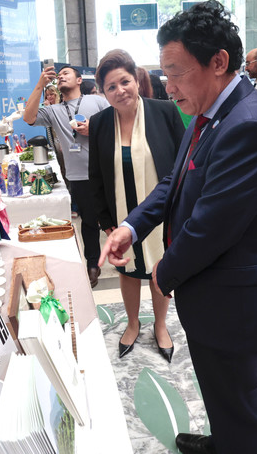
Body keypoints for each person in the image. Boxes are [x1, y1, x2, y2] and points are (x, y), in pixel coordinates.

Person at [100, 0, 257, 454]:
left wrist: (161, 275)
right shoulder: (209, 113)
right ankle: (223, 442)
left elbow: (211, 227)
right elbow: (176, 182)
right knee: (220, 392)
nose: (168, 87)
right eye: (164, 74)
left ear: (218, 62)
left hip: (234, 299)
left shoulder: (250, 126)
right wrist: (132, 226)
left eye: (176, 73)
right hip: (213, 292)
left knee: (239, 403)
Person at [88, 50, 184, 360]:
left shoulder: (165, 112)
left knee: (159, 267)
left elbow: (182, 166)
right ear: (104, 93)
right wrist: (106, 223)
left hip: (159, 212)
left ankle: (160, 325)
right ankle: (132, 323)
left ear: (137, 81)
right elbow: (95, 176)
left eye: (124, 82)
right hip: (121, 212)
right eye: (111, 87)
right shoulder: (100, 123)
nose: (120, 91)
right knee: (127, 269)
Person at [25, 65, 109, 286]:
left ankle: (126, 259)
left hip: (107, 170)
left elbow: (117, 123)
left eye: (67, 73)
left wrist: (94, 128)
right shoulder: (53, 111)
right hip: (79, 175)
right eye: (59, 75)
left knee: (116, 218)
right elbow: (28, 117)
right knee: (89, 222)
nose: (61, 76)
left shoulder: (96, 101)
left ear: (79, 80)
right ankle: (93, 264)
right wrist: (40, 85)